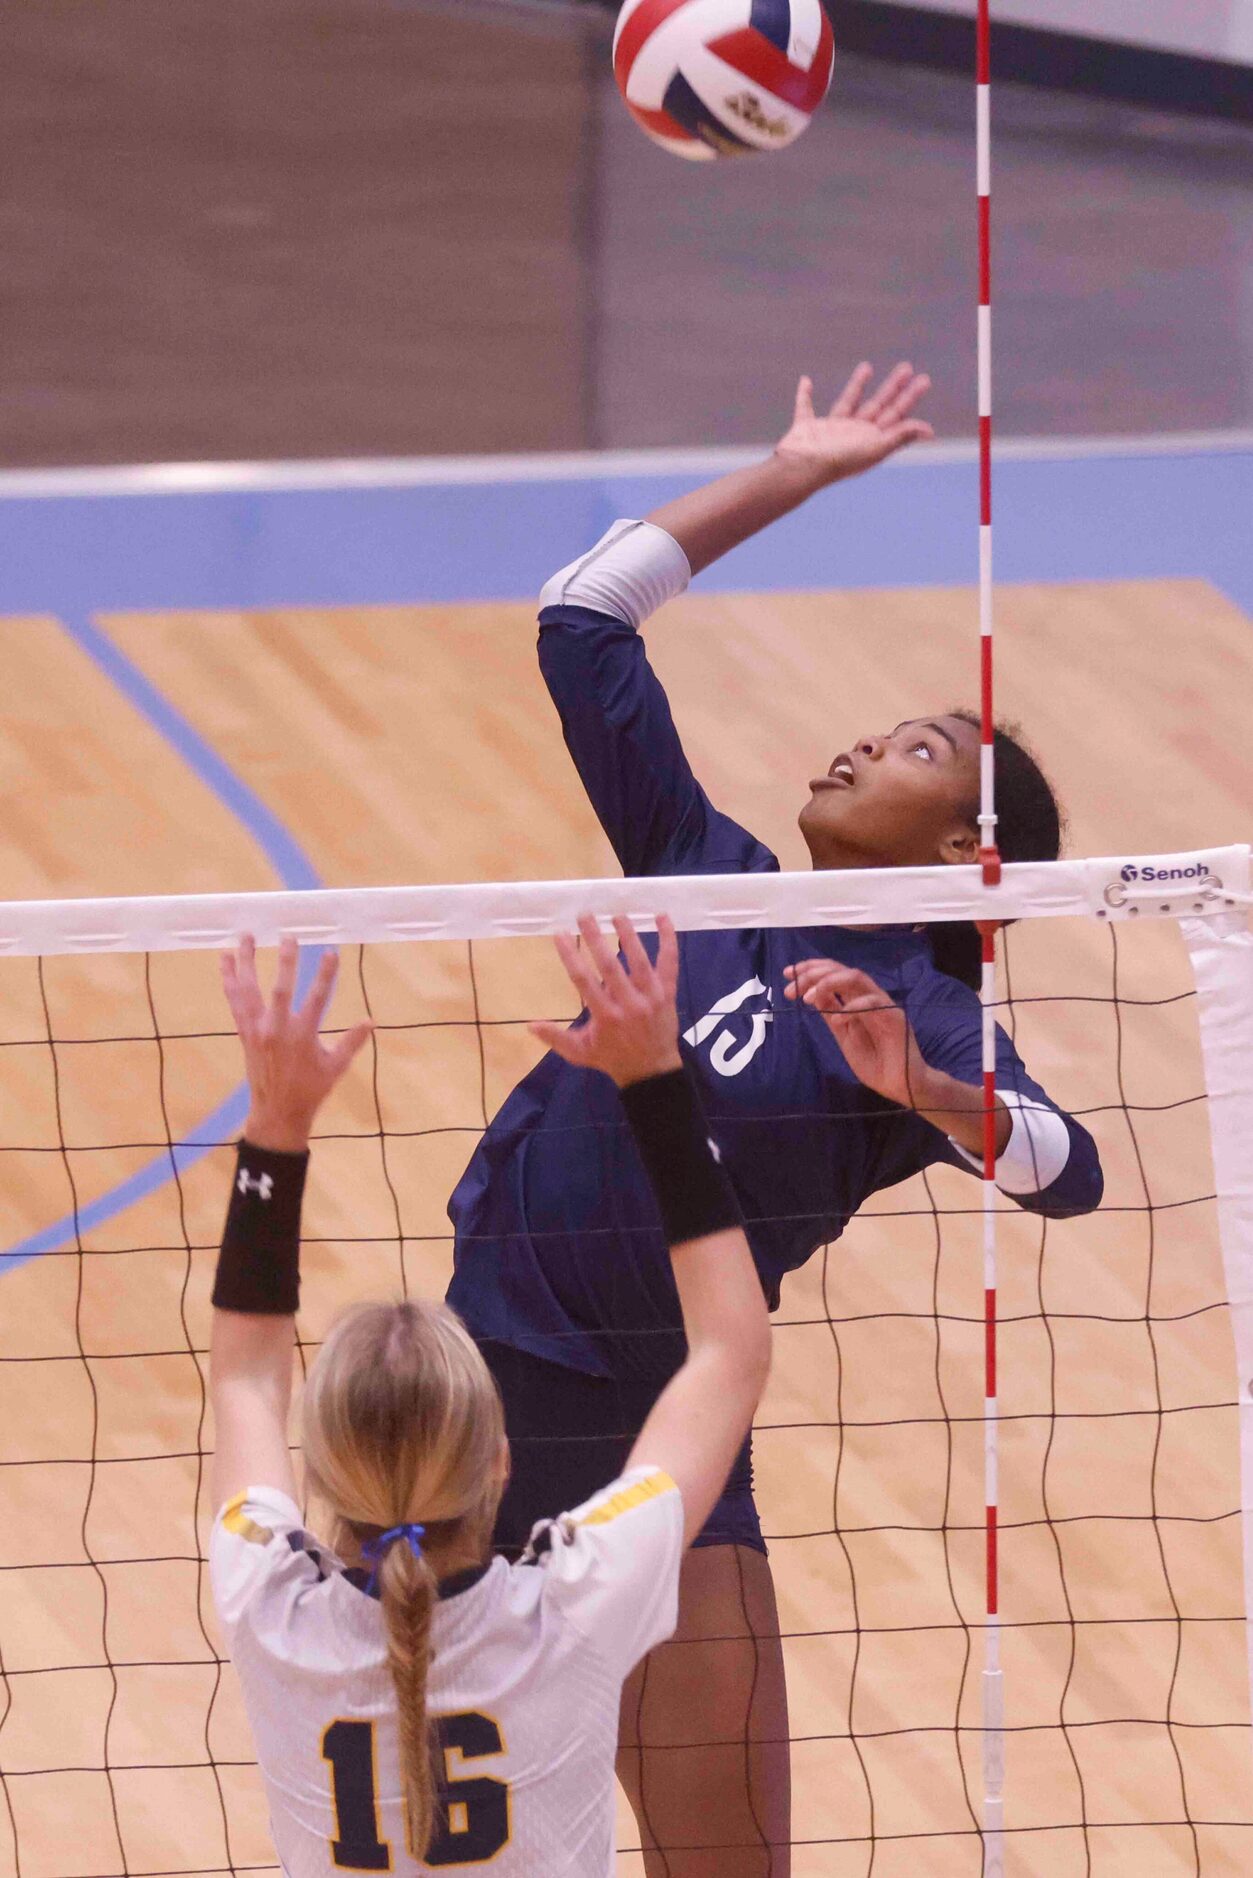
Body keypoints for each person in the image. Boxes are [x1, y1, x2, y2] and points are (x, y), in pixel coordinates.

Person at [445, 362, 1106, 1874]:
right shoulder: (705, 864)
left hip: (676, 1442)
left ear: (963, 853)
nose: (865, 745)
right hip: (477, 1413)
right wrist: (794, 471)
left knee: (727, 1864)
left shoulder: (921, 1010)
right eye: (880, 728)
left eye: (918, 751)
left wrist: (931, 1097)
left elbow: (1067, 1170)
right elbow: (580, 617)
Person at [207, 924, 772, 1876]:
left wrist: (275, 1127)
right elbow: (731, 1350)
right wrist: (654, 1083)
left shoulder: (270, 1608)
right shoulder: (576, 1606)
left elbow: (242, 1372)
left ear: (323, 1475)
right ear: (501, 1464)